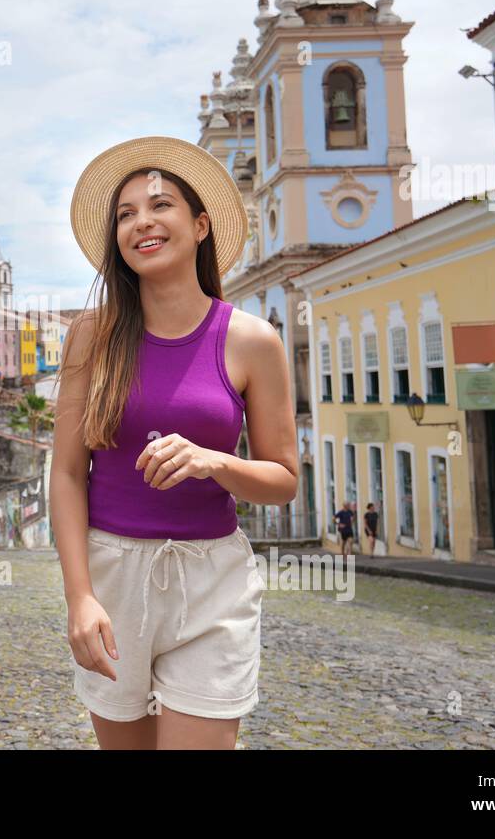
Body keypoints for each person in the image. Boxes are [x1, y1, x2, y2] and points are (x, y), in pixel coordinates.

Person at [52, 136, 298, 751]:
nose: (142, 223)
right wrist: (80, 597)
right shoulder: (90, 338)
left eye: (160, 205)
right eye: (125, 214)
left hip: (212, 580)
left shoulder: (252, 340)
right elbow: (66, 475)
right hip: (113, 577)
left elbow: (284, 479)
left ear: (200, 223)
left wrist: (214, 461)